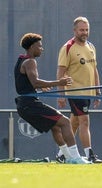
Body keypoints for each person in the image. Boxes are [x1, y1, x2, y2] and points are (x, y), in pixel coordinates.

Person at [14, 33, 89, 164]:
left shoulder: (21, 60)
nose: (42, 49)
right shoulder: (30, 61)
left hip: (24, 105)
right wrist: (59, 83)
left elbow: (28, 83)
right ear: (32, 47)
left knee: (56, 126)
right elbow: (35, 82)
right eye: (39, 46)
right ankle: (76, 158)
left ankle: (68, 157)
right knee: (65, 122)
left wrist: (39, 87)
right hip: (29, 104)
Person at [56, 16, 102, 163]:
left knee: (74, 123)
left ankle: (62, 154)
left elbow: (94, 69)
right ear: (75, 30)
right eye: (82, 30)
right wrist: (61, 94)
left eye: (87, 29)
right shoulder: (67, 47)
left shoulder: (91, 46)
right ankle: (90, 154)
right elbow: (60, 72)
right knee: (84, 121)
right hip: (75, 92)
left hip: (88, 93)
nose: (85, 32)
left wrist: (97, 90)